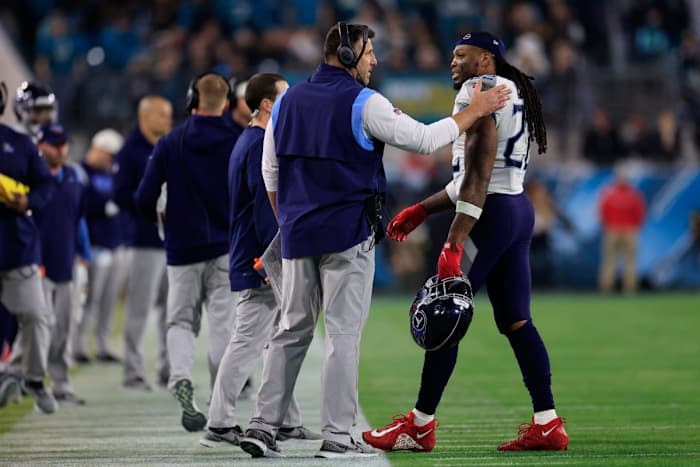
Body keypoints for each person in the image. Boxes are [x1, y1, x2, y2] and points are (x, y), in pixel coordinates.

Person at [238, 23, 510, 459]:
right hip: (346, 233)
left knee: (291, 329)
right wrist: (473, 112)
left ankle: (262, 425)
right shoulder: (364, 102)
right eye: (368, 53)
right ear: (347, 54)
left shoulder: (286, 101)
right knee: (343, 336)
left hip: (296, 232)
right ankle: (337, 436)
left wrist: (288, 222)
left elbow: (271, 173)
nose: (374, 61)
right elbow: (423, 140)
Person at [362, 32, 568, 453]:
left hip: (488, 215)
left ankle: (419, 425)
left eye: (462, 54)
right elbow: (481, 176)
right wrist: (423, 208)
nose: (452, 60)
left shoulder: (479, 92)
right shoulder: (514, 91)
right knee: (515, 319)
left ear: (486, 59)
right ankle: (547, 421)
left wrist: (452, 243)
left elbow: (475, 179)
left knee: (444, 315)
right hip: (515, 208)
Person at [200, 73, 321, 448]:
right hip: (258, 257)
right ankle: (219, 422)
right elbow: (262, 208)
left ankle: (285, 420)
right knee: (249, 341)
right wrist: (271, 258)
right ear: (267, 104)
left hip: (252, 253)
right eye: (283, 97)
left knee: (276, 339)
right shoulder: (257, 144)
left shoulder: (249, 140)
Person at [135, 72, 239, 432]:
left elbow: (144, 198)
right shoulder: (239, 140)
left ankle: (180, 376)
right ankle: (221, 402)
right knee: (224, 326)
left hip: (181, 249)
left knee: (180, 322)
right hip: (227, 249)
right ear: (225, 103)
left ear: (192, 99)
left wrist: (161, 220)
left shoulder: (169, 143)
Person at [0, 81, 57, 413]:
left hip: (15, 244)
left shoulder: (18, 144)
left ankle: (33, 377)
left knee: (37, 316)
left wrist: (27, 200)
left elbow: (45, 185)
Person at [114, 95, 173, 390]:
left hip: (170, 242)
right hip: (144, 239)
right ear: (145, 117)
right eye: (162, 115)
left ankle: (168, 369)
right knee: (140, 308)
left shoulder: (168, 146)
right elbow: (120, 194)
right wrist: (150, 202)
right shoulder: (129, 151)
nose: (168, 120)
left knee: (171, 309)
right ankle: (133, 372)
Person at [32, 123, 91, 405]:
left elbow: (76, 218)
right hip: (35, 264)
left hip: (64, 263)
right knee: (36, 327)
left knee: (63, 328)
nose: (60, 149)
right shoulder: (32, 176)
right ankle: (26, 380)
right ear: (40, 145)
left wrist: (82, 252)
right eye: (54, 144)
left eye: (63, 143)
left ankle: (61, 384)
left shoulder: (72, 177)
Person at [72, 129, 125, 364]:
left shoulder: (112, 172)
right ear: (99, 149)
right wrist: (103, 206)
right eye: (109, 154)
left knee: (109, 299)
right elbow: (80, 206)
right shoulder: (81, 172)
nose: (111, 160)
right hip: (93, 244)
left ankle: (103, 345)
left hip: (113, 243)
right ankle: (79, 346)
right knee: (88, 299)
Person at [598, 170, 646, 293]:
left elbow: (639, 212)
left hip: (622, 229)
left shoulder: (617, 194)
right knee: (614, 260)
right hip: (618, 229)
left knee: (625, 260)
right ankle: (609, 286)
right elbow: (603, 212)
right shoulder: (630, 195)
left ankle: (627, 287)